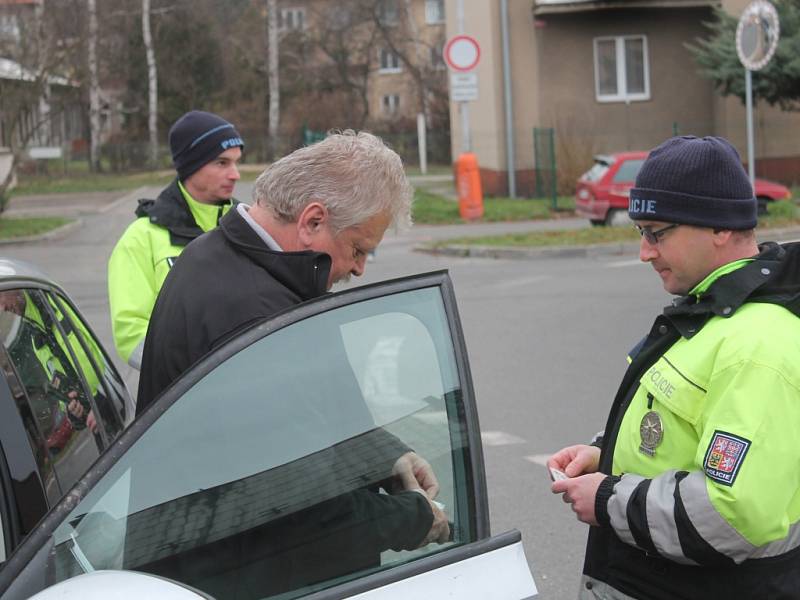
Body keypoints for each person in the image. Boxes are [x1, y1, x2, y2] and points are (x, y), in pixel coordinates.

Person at [135, 130, 449, 596]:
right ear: (313, 221)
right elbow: (304, 511)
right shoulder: (252, 317)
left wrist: (385, 456)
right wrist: (413, 518)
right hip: (244, 578)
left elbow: (311, 416)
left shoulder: (224, 261)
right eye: (359, 248)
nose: (360, 268)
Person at [548, 136, 800, 599]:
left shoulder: (756, 344)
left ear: (719, 228)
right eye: (639, 232)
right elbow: (680, 432)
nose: (645, 252)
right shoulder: (712, 309)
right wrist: (606, 456)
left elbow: (732, 512)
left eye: (656, 233)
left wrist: (607, 500)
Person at [108, 110, 244, 370]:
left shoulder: (249, 225)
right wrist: (197, 375)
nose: (235, 174)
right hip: (186, 397)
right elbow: (131, 333)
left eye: (236, 162)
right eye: (222, 163)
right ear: (192, 165)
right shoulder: (141, 239)